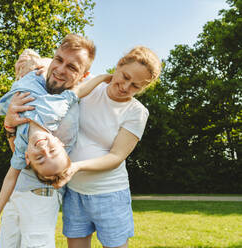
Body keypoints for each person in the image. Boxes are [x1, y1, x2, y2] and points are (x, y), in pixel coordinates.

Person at [10, 46, 162, 248]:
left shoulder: (137, 112)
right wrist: (41, 64)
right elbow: (64, 69)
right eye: (124, 76)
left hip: (110, 194)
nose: (125, 86)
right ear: (118, 66)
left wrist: (76, 167)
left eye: (135, 86)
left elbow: (116, 156)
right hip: (74, 192)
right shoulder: (88, 88)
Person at [0, 34, 97, 248]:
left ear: (83, 75)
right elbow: (24, 150)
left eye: (72, 68)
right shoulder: (46, 90)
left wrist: (10, 125)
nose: (60, 69)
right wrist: (10, 124)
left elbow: (28, 156)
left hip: (39, 194)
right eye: (58, 59)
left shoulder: (61, 111)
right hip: (20, 190)